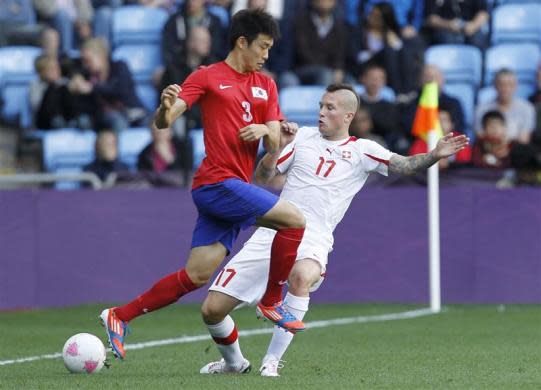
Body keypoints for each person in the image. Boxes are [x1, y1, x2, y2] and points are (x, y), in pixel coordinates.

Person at [198, 83, 469, 375]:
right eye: (320, 106)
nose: (321, 113)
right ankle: (235, 363)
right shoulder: (302, 137)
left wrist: (434, 154)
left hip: (313, 237)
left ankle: (272, 361)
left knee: (301, 275)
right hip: (271, 232)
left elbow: (404, 165)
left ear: (348, 115)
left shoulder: (363, 150)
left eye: (330, 108)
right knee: (212, 310)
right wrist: (276, 148)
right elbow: (263, 179)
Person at [99, 9, 308, 361]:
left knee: (196, 275)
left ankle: (120, 316)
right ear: (242, 42)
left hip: (234, 187)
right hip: (216, 183)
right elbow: (166, 120)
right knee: (295, 220)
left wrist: (265, 131)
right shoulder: (208, 76)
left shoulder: (266, 85)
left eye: (270, 48)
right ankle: (272, 301)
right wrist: (164, 108)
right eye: (262, 47)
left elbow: (274, 142)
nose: (266, 55)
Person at [474, 68, 536, 145]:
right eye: (502, 84)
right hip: (489, 150)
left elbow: (524, 140)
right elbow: (481, 137)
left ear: (516, 86)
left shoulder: (527, 108)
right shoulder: (482, 109)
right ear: (495, 85)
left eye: (510, 84)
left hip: (516, 151)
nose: (506, 89)